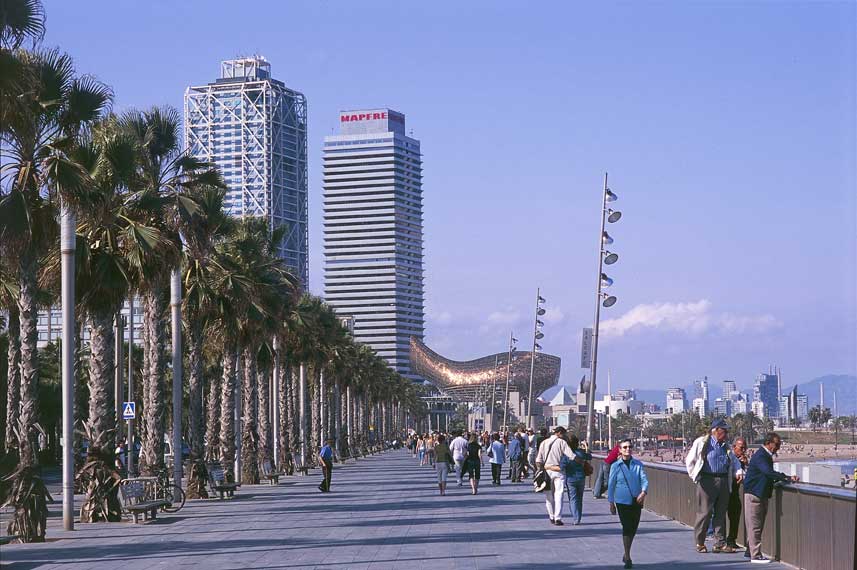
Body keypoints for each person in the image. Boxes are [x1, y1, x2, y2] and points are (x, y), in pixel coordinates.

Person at [743, 432, 799, 564]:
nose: (778, 447)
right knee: (755, 526)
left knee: (756, 524)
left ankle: (749, 550)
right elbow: (768, 472)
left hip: (760, 494)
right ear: (769, 443)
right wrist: (786, 477)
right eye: (777, 444)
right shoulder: (761, 456)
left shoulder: (764, 455)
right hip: (754, 494)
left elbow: (765, 475)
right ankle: (755, 556)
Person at [685, 418, 737, 553]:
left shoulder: (725, 445)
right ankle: (700, 542)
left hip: (724, 480)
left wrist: (739, 471)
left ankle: (719, 543)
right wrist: (695, 477)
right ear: (715, 431)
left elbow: (734, 461)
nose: (726, 434)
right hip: (707, 480)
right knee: (705, 513)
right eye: (724, 430)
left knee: (720, 513)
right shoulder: (702, 442)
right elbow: (690, 461)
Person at [608, 438, 649, 569]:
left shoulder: (638, 464)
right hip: (621, 500)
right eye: (625, 447)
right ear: (620, 450)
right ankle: (628, 556)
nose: (628, 449)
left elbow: (644, 479)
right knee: (627, 527)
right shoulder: (615, 466)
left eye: (630, 447)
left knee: (634, 527)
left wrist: (643, 492)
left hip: (636, 500)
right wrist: (611, 502)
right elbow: (611, 484)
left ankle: (626, 553)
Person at [535, 426, 584, 526]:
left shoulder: (544, 442)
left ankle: (551, 516)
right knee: (559, 494)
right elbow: (571, 456)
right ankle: (558, 518)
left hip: (547, 471)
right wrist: (582, 462)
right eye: (564, 434)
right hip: (559, 471)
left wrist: (540, 471)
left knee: (549, 496)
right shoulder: (562, 443)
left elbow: (538, 460)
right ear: (560, 433)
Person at [561, 434, 592, 525]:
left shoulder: (566, 455)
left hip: (570, 479)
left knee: (573, 499)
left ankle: (576, 518)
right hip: (581, 478)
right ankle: (578, 516)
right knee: (580, 498)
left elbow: (562, 466)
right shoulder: (580, 452)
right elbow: (589, 456)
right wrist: (586, 447)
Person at [726, 436, 748, 551]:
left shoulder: (741, 460)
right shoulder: (729, 456)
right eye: (741, 448)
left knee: (735, 514)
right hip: (725, 490)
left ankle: (731, 539)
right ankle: (722, 541)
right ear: (734, 447)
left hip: (734, 492)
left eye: (745, 448)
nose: (743, 450)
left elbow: (745, 475)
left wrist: (745, 464)